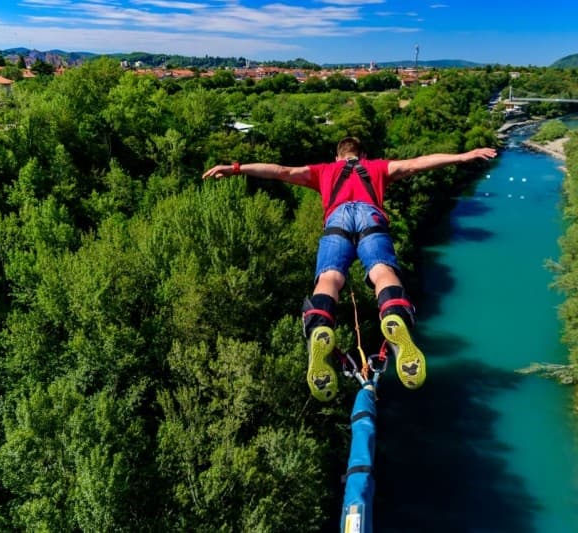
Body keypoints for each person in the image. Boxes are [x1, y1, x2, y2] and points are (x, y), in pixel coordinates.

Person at [203, 137, 497, 401]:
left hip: (337, 222)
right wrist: (463, 156)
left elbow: (281, 171)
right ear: (363, 155)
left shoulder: (324, 171)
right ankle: (393, 315)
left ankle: (320, 326)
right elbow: (418, 164)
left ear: (337, 157)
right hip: (371, 217)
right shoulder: (378, 168)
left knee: (330, 278)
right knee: (383, 272)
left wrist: (236, 167)